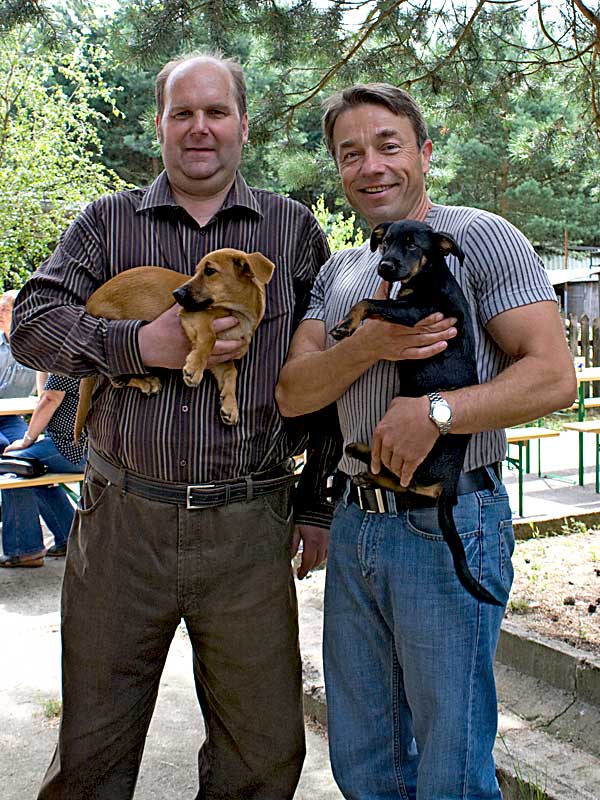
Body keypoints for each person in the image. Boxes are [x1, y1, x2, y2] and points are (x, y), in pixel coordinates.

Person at [8, 54, 415, 800]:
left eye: (217, 112)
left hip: (250, 525)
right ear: (159, 124)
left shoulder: (291, 231)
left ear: (243, 126)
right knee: (91, 752)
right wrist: (141, 344)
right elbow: (31, 326)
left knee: (261, 755)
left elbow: (327, 375)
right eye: (183, 113)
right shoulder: (106, 223)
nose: (200, 128)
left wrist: (317, 505)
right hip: (123, 521)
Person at [275, 83, 577, 799]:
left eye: (389, 145)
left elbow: (553, 376)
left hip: (447, 521)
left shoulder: (481, 237)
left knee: (451, 764)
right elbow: (293, 392)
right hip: (357, 521)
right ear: (338, 168)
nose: (371, 166)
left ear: (424, 153)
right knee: (365, 755)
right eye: (351, 153)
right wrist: (368, 345)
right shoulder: (341, 270)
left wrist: (437, 411)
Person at [0, 373, 87, 568]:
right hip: (97, 448)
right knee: (33, 470)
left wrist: (27, 440)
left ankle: (24, 550)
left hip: (72, 448)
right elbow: (44, 393)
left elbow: (49, 399)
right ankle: (69, 537)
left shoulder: (64, 361)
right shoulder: (89, 357)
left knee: (13, 465)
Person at [0, 289, 37, 450]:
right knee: (1, 444)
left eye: (5, 309)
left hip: (10, 417)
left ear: (21, 314)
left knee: (26, 449)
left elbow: (48, 392)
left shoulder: (38, 350)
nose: (0, 313)